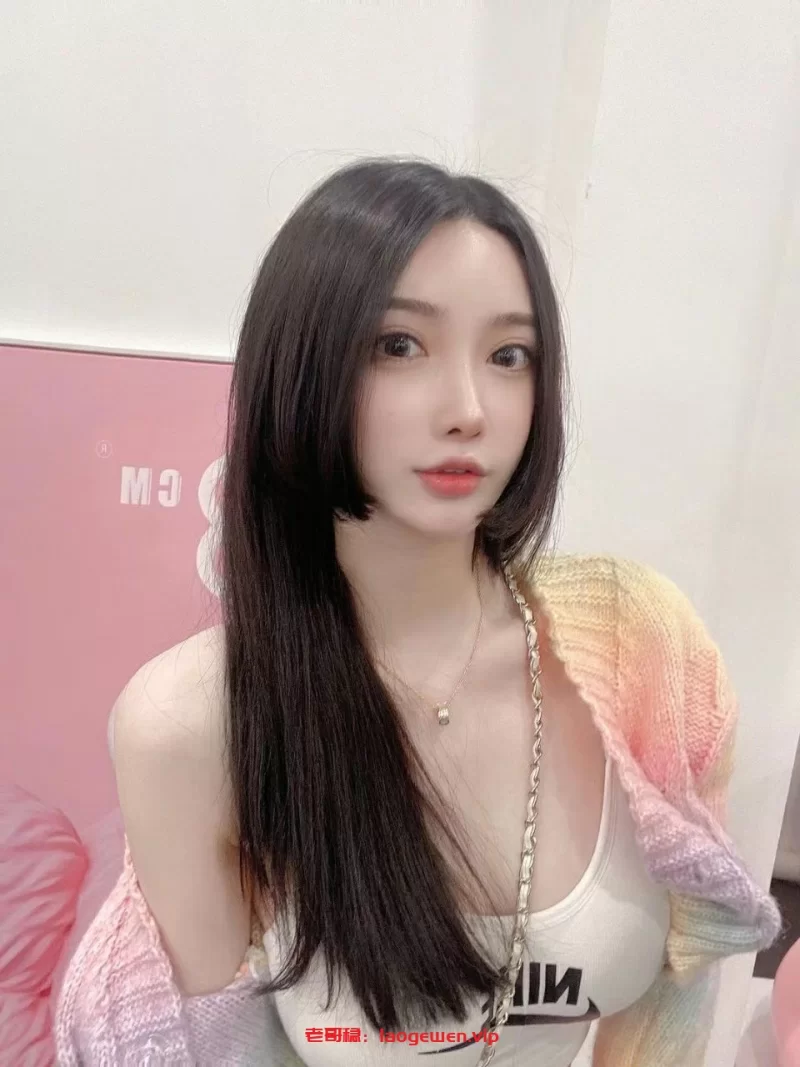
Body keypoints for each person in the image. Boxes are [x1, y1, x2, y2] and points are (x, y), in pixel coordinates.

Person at [55, 158, 783, 1066]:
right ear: (304, 364)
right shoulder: (194, 724)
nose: (469, 409)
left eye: (509, 356)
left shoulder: (650, 651)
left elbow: (677, 990)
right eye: (400, 345)